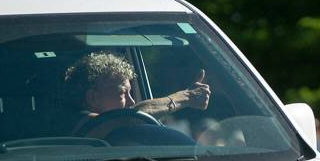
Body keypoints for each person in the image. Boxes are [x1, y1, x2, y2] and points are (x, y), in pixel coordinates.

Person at [64, 52, 210, 138]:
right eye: (121, 93)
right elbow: (130, 117)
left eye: (130, 93)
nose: (131, 101)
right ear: (92, 97)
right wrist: (187, 97)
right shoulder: (82, 122)